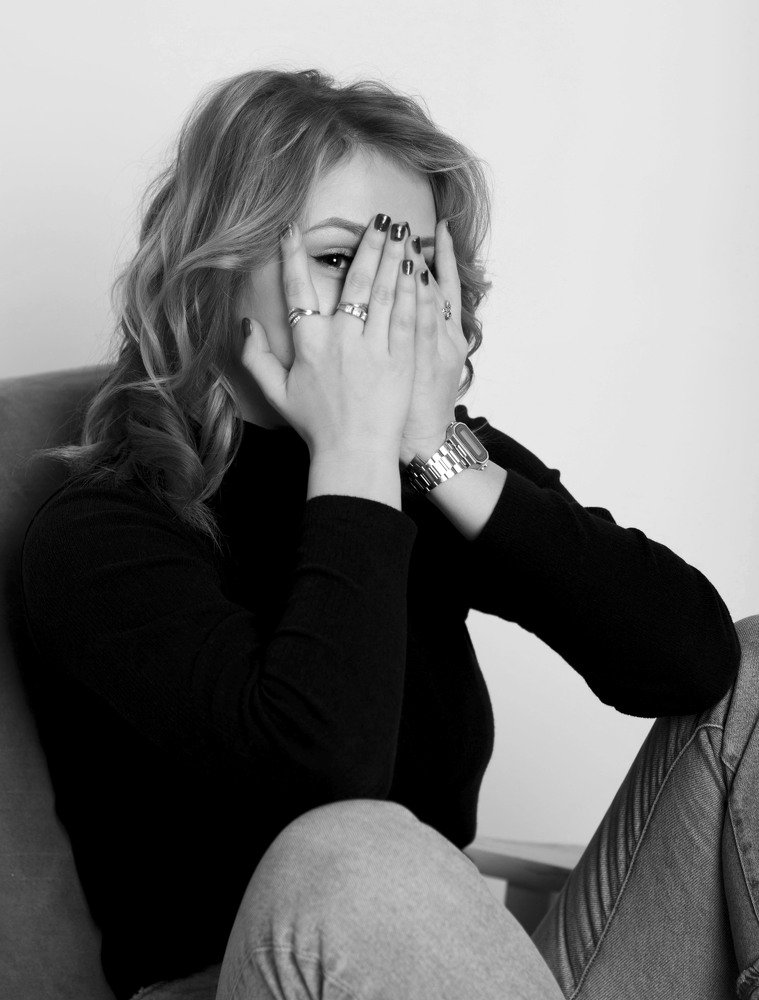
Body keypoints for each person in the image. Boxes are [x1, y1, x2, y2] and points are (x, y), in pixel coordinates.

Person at [19, 66, 755, 1000]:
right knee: (355, 847)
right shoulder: (100, 532)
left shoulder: (425, 461)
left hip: (471, 975)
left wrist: (434, 451)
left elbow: (692, 663)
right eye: (339, 259)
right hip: (255, 976)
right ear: (216, 272)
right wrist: (355, 450)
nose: (383, 302)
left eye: (408, 264)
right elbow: (328, 790)